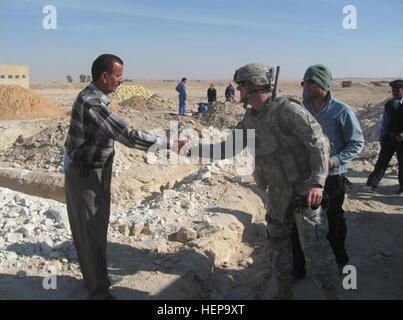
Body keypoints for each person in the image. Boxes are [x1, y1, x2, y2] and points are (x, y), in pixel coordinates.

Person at [181, 63, 340, 299]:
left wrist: (317, 182)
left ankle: (332, 295)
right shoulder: (251, 118)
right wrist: (192, 149)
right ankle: (284, 292)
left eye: (241, 87)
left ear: (253, 87)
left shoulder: (287, 110)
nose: (238, 92)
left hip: (303, 188)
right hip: (277, 191)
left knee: (314, 244)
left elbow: (318, 143)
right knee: (277, 242)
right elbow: (228, 148)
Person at [64, 54, 174, 300]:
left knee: (95, 230)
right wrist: (170, 143)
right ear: (104, 77)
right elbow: (127, 134)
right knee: (91, 233)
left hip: (94, 173)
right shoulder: (92, 102)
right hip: (86, 176)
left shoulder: (98, 99)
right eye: (118, 75)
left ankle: (97, 281)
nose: (121, 81)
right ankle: (99, 293)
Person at [290, 65, 365, 281]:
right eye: (304, 83)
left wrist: (334, 160)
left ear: (322, 84)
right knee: (298, 223)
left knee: (334, 221)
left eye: (310, 83)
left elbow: (356, 143)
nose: (306, 87)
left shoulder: (342, 111)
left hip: (332, 178)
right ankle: (298, 268)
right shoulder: (299, 110)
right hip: (304, 177)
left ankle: (339, 261)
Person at [366, 79, 403, 194]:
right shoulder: (389, 104)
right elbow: (385, 121)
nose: (394, 92)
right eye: (393, 90)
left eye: (397, 90)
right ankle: (372, 185)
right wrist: (382, 134)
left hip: (401, 140)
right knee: (382, 162)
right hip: (389, 137)